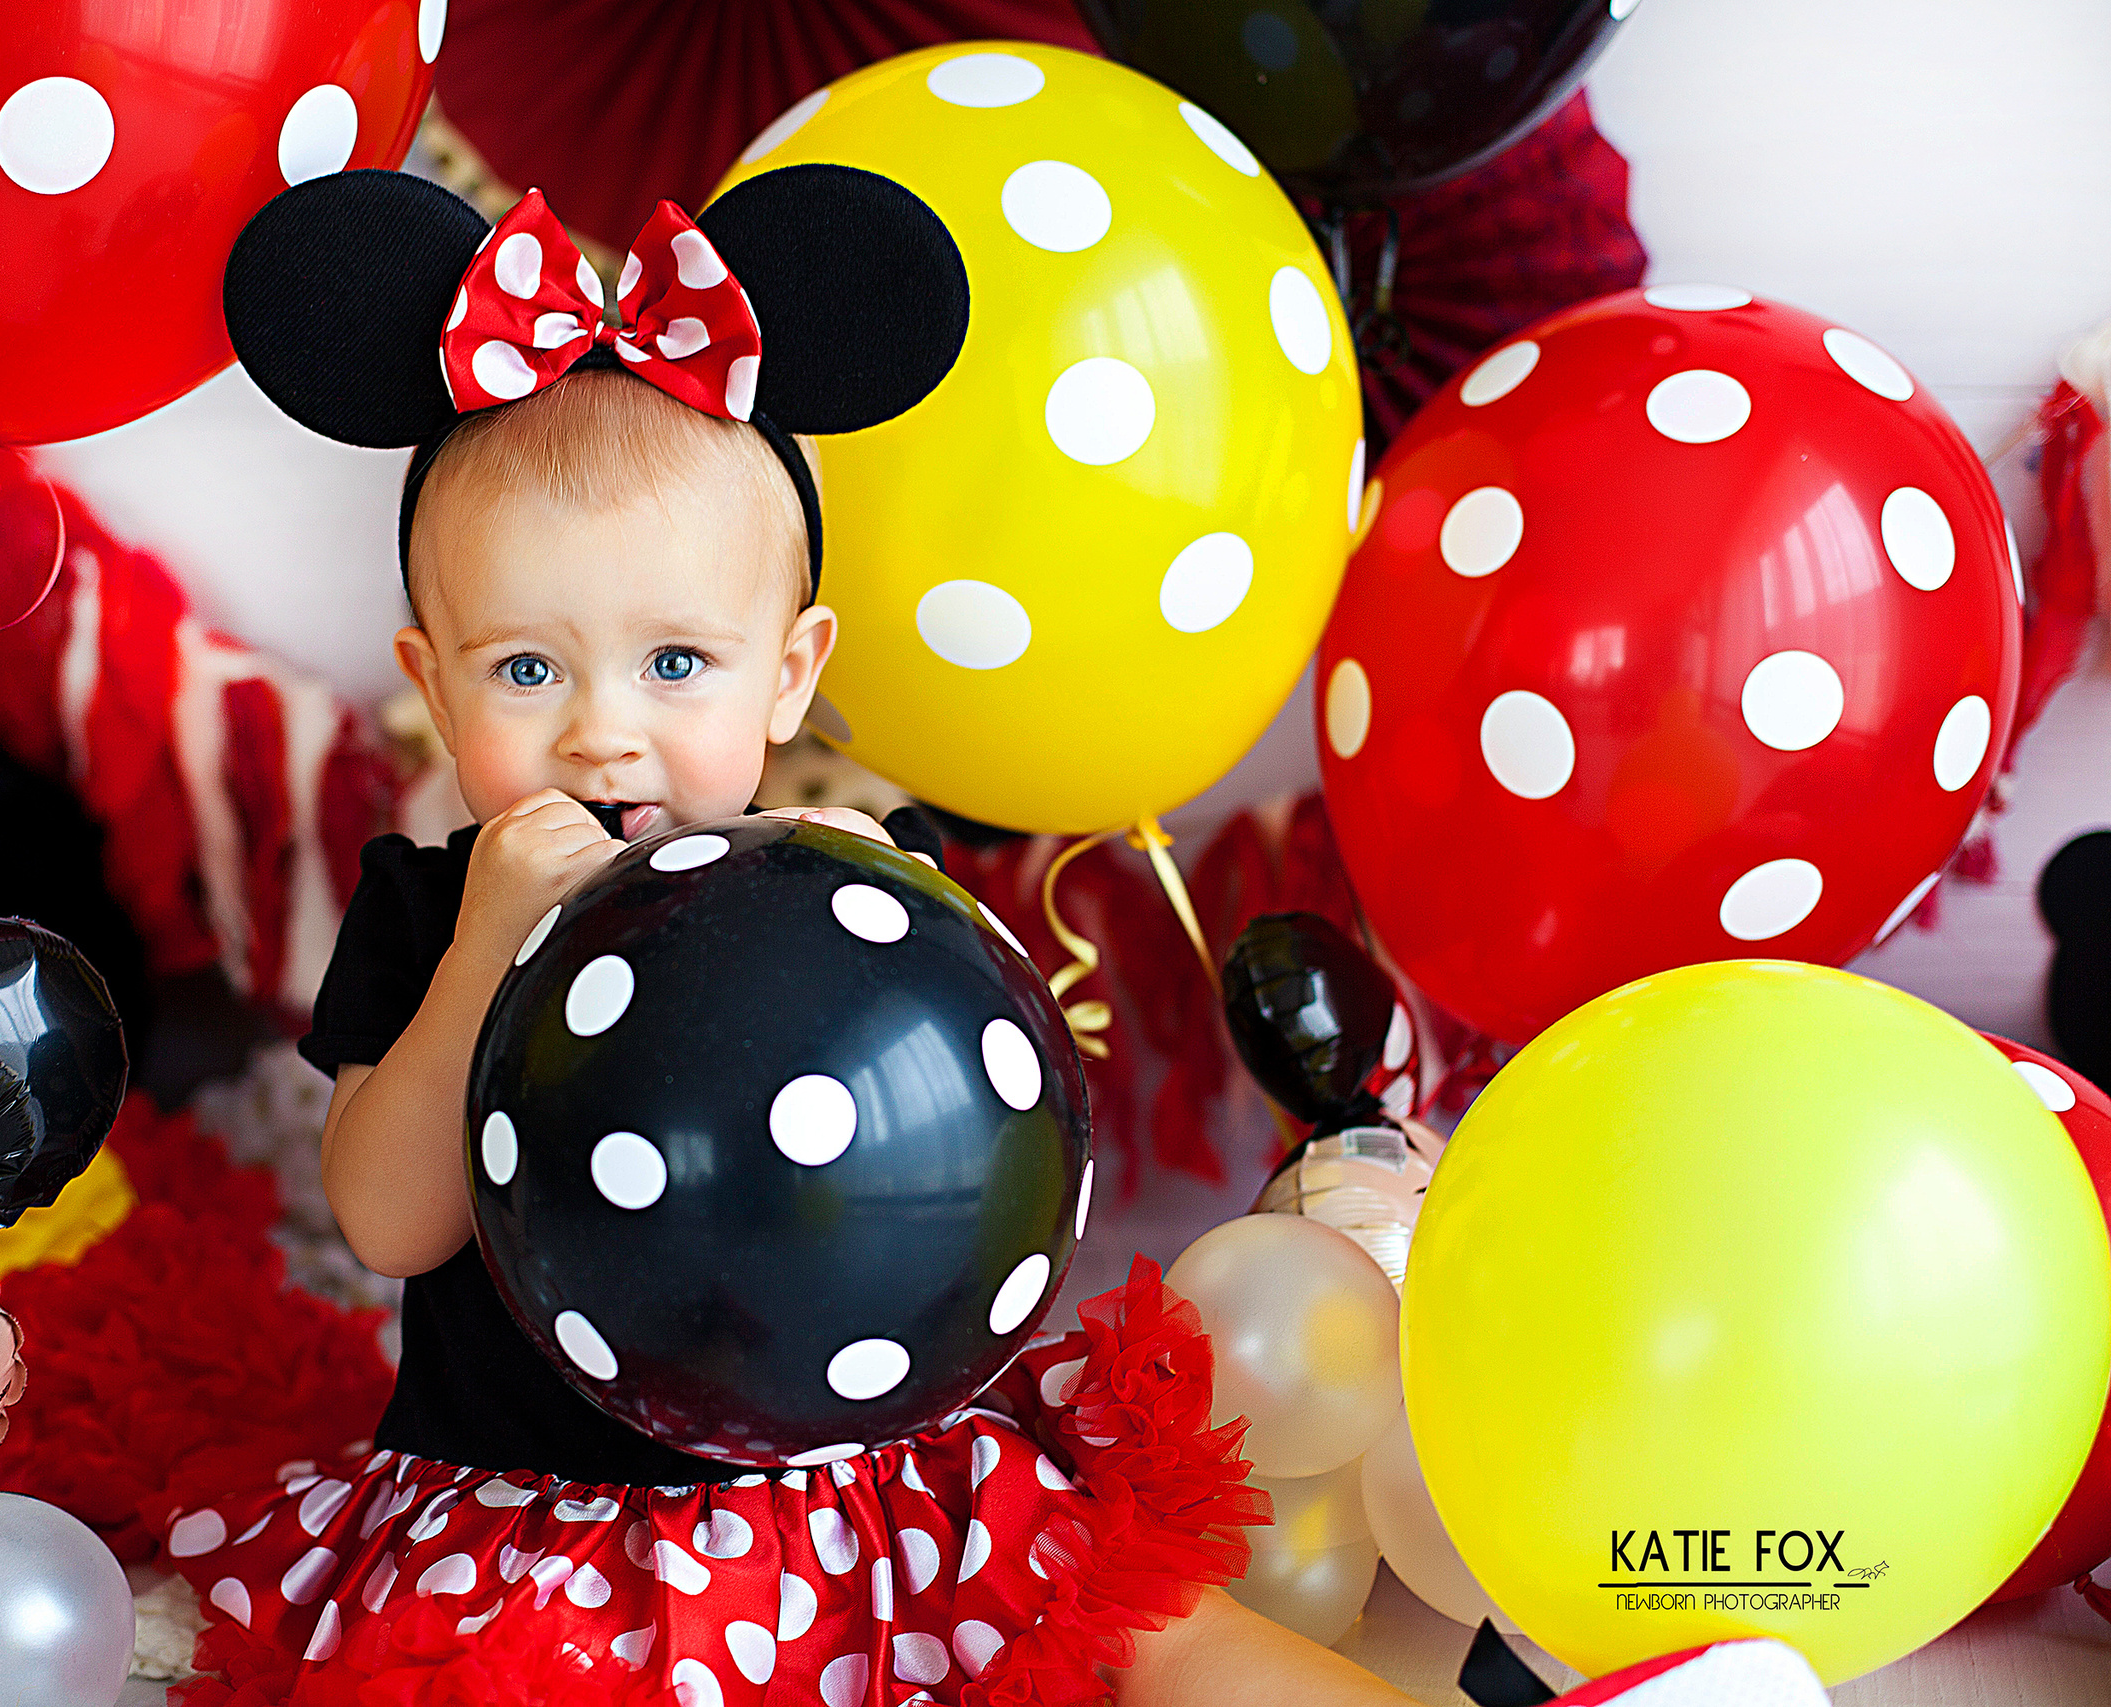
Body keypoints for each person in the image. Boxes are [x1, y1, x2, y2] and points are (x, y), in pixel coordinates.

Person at [158, 164, 1408, 1707]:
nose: (604, 738)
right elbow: (385, 1224)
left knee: (1135, 1612)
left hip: (866, 1483)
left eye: (677, 661)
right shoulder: (436, 905)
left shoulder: (870, 890)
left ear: (792, 673)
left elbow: (987, 1174)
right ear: (432, 681)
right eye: (527, 672)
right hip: (547, 1523)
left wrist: (893, 954)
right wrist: (488, 959)